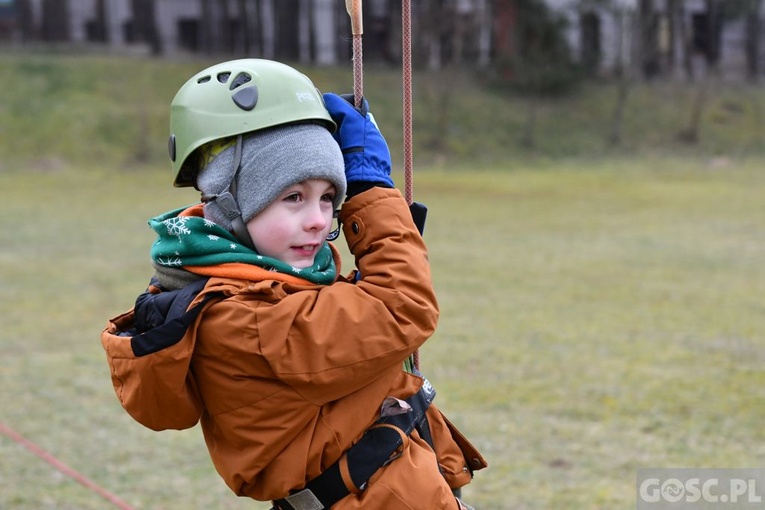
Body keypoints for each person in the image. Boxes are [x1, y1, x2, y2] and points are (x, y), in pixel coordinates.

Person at [101, 58, 486, 510]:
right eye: (293, 197)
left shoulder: (269, 286)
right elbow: (402, 307)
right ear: (229, 205)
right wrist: (372, 193)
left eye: (330, 197)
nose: (319, 220)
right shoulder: (247, 320)